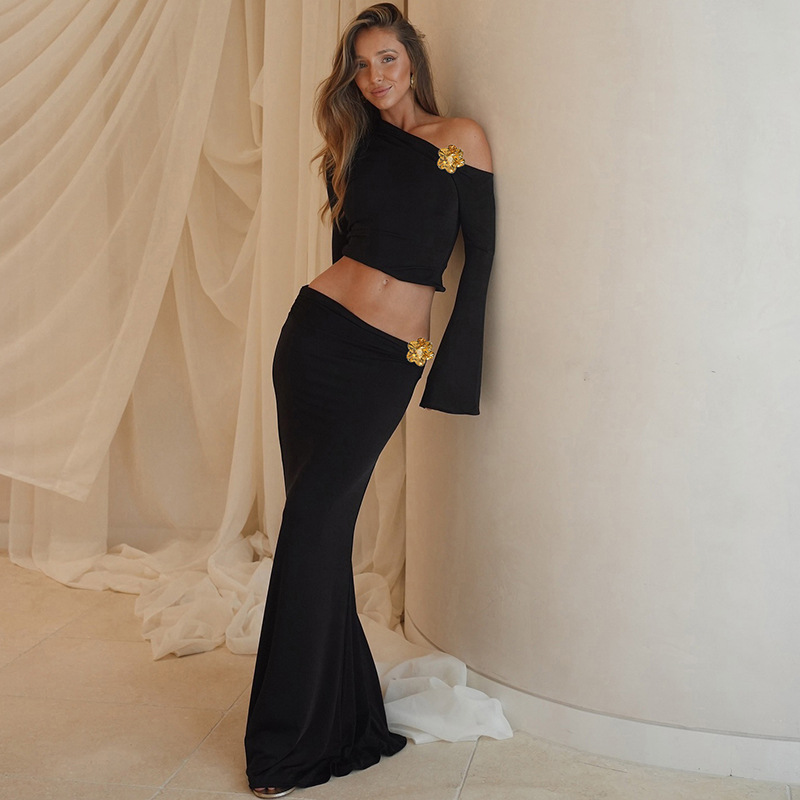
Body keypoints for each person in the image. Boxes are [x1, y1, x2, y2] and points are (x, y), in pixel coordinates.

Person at [244, 3, 495, 797]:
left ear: (412, 60)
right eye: (361, 65)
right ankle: (316, 722)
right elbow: (345, 251)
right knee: (314, 531)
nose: (375, 76)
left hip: (390, 361)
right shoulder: (352, 150)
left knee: (312, 530)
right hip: (313, 341)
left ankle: (294, 735)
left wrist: (446, 371)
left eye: (387, 58)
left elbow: (481, 256)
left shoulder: (456, 142)